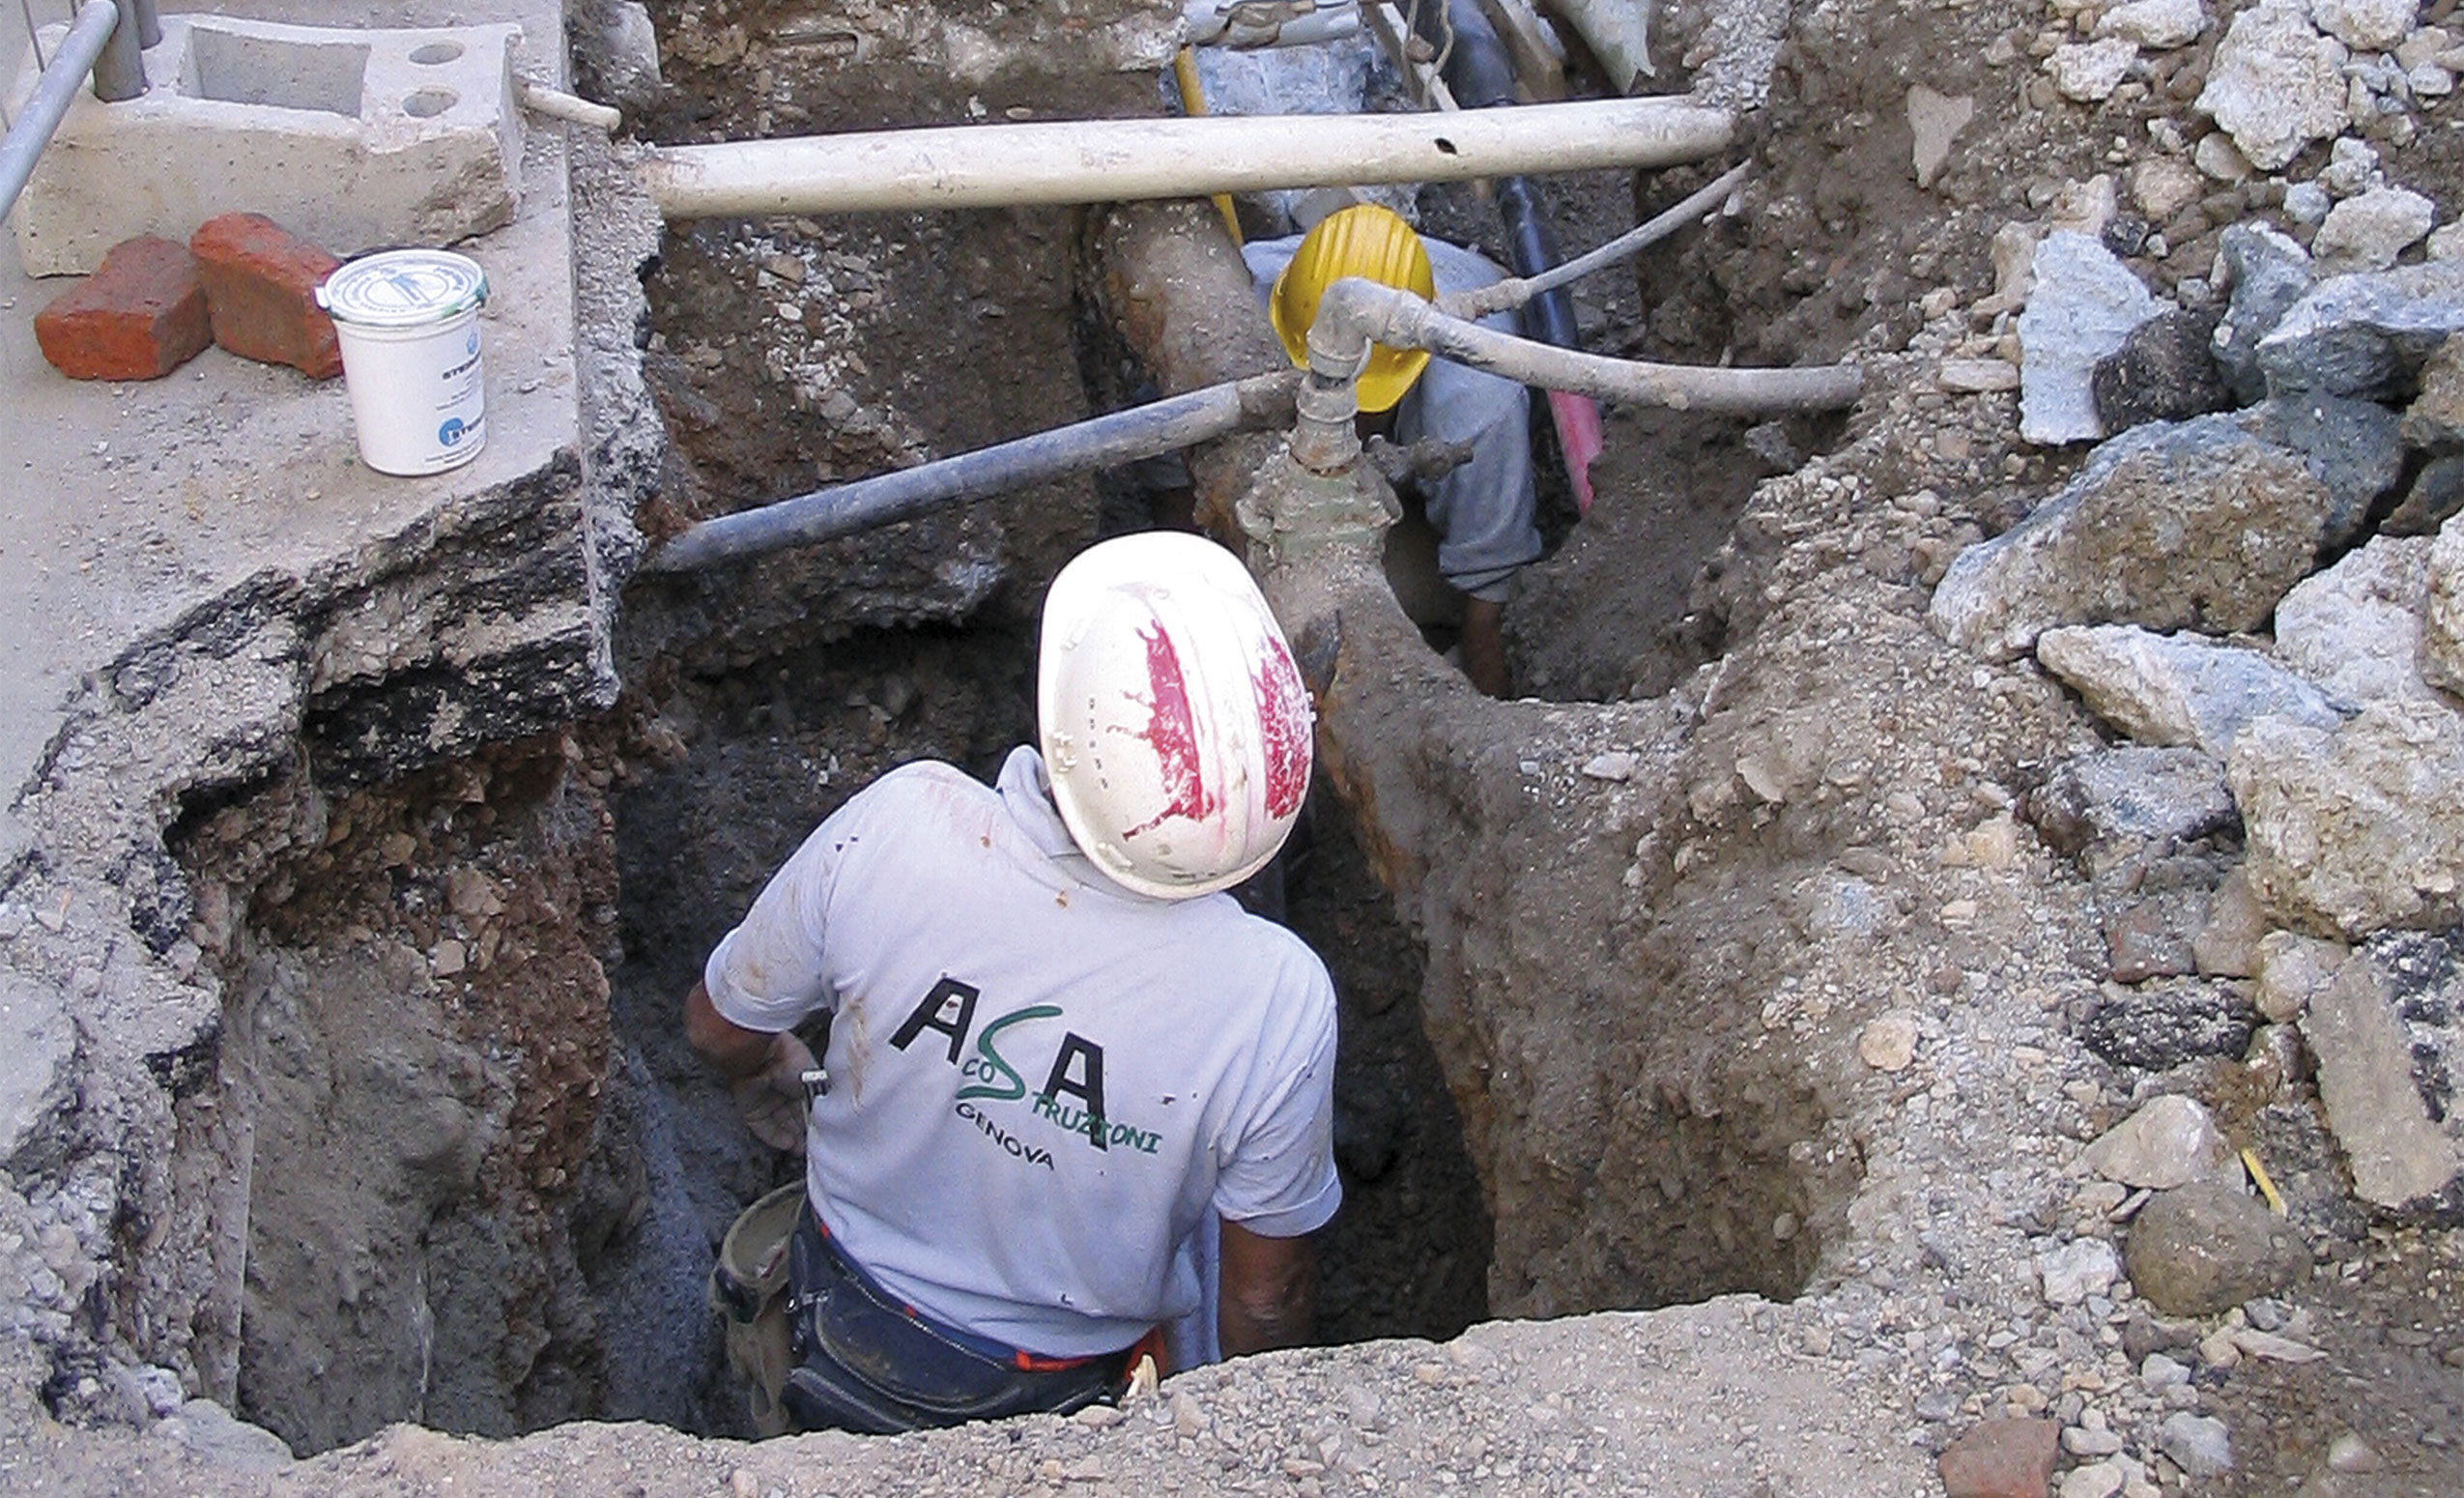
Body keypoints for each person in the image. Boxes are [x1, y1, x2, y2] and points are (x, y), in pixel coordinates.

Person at [688, 531, 1341, 1435]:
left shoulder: (899, 824)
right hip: (1068, 1396)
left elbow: (719, 1028)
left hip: (838, 1325)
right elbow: (1265, 1305)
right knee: (1206, 1202)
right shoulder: (1277, 997)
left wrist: (768, 1068)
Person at [1245, 203, 1540, 697]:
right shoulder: (1250, 291)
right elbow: (1175, 457)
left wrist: (1483, 717)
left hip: (1471, 296)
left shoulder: (1480, 408)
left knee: (1393, 597)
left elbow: (1490, 591)